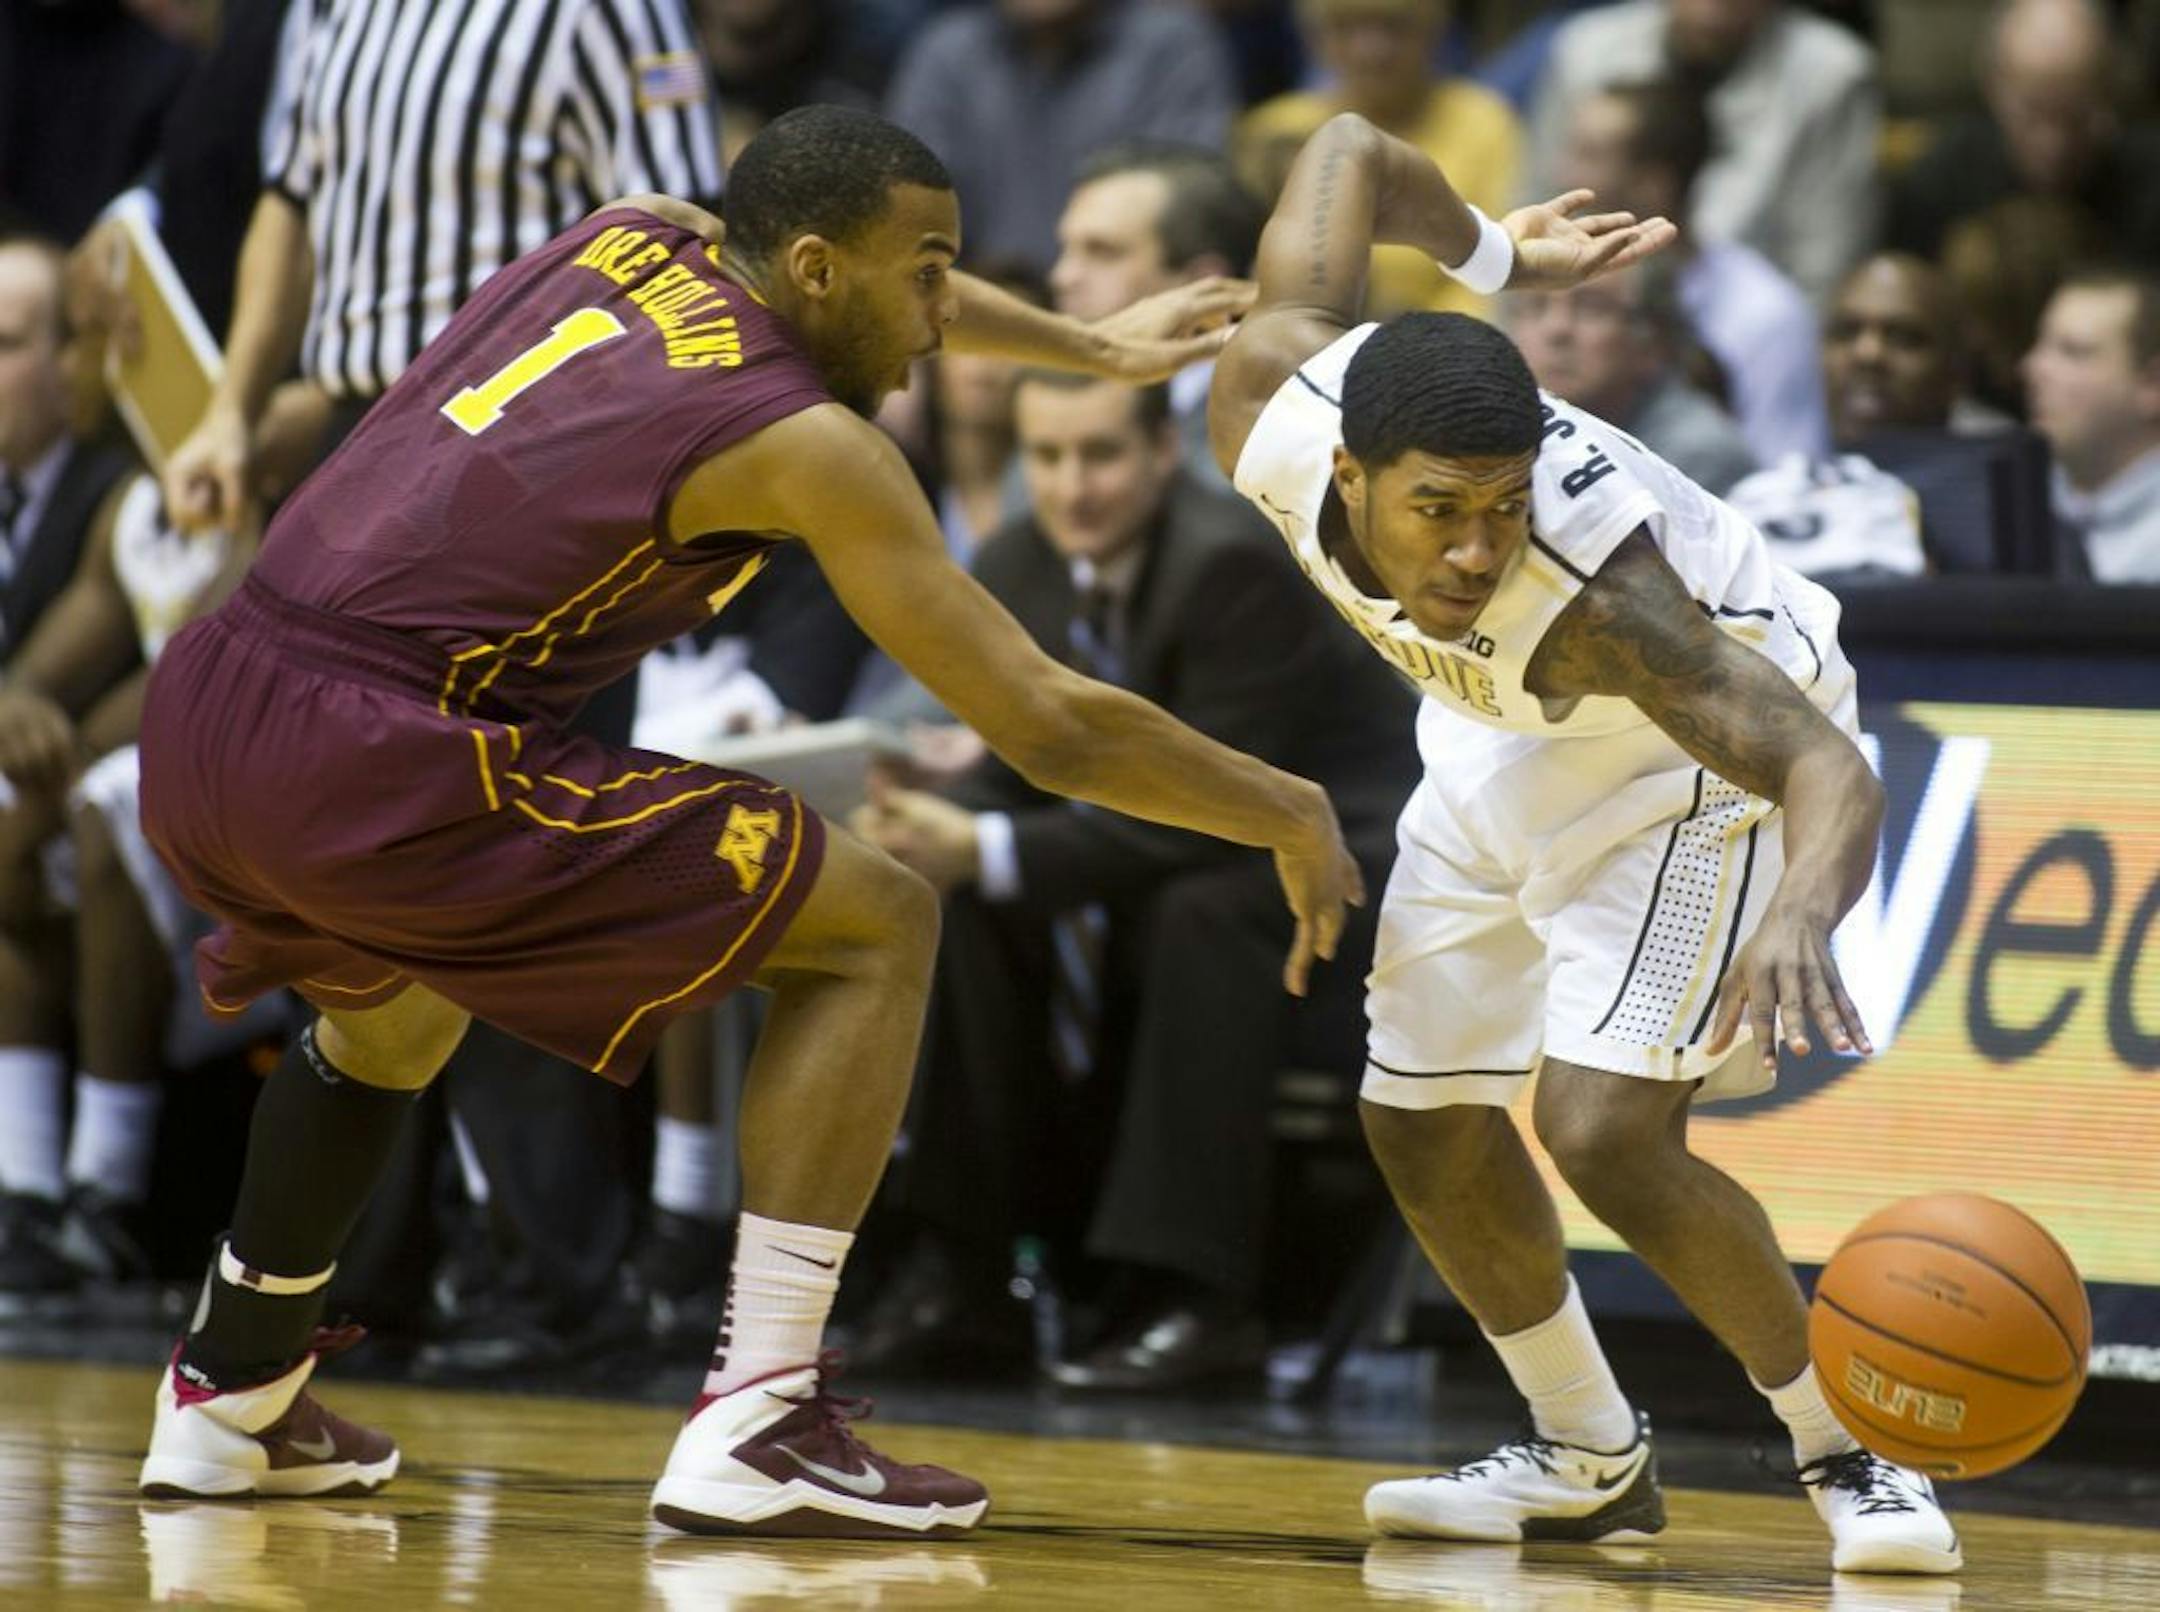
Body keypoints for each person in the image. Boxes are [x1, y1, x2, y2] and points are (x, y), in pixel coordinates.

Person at [133, 107, 1358, 1539]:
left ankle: (232, 1388)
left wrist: (1091, 349)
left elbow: (835, 272)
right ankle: (766, 1411)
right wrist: (1281, 803)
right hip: (384, 746)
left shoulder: (640, 231)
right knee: (879, 920)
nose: (943, 318)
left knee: (397, 1008)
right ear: (824, 271)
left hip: (215, 706)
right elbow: (1047, 722)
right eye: (930, 275)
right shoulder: (806, 443)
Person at [1205, 112, 1960, 1573]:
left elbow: (1825, 764)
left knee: (1602, 1129)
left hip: (1696, 762)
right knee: (1413, 1116)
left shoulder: (1602, 597)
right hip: (1499, 736)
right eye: (1440, 512)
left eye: (1501, 510)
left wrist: (1803, 910)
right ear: (1346, 476)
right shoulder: (1262, 396)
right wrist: (1495, 251)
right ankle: (1587, 1457)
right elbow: (1352, 145)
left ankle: (1847, 1453)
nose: (1477, 551)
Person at [159, 0, 730, 1376]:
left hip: (524, 488)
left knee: (520, 887)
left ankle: (561, 1289)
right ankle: (370, 1276)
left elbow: (702, 245)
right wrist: (234, 403)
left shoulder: (605, 13)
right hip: (353, 459)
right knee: (350, 896)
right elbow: (291, 206)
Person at [848, 371, 1415, 1390]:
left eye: (1101, 454)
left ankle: (1194, 1295)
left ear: (1162, 453)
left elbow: (1220, 803)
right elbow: (1020, 760)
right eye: (1049, 457)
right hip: (1165, 853)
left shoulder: (1231, 564)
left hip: (1335, 861)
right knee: (967, 906)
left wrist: (990, 846)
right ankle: (965, 1279)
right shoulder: (1019, 559)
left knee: (1198, 911)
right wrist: (946, 827)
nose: (1074, 487)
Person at [0, 235, 134, 1300]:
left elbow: (174, 644)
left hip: (137, 781)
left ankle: (92, 1190)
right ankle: (26, 1186)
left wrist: (57, 731)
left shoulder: (127, 483)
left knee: (59, 815)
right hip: (43, 782)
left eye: (6, 345)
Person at [1526, 0, 1878, 308]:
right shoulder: (1585, 51)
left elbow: (1823, 272)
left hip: (1743, 336)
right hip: (1574, 315)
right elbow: (1532, 224)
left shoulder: (1833, 77)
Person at [1558, 78, 1826, 467]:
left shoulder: (1766, 316)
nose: (1563, 175)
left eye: (1589, 156)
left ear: (1652, 186)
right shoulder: (1548, 290)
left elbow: (1785, 482)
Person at [884, 0, 1238, 271]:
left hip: (1128, 324)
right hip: (975, 319)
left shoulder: (1171, 45)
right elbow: (907, 216)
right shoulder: (947, 51)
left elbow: (1185, 216)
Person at [1233, 0, 1521, 321]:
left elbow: (1497, 265)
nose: (1370, 50)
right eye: (1346, 28)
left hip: (1437, 346)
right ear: (1314, 38)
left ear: (1433, 31)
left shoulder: (1483, 123)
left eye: (1393, 27)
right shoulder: (1275, 129)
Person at [1887, 0, 2160, 272]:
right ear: (1994, 87)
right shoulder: (1944, 179)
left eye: (2075, 116)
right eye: (2033, 114)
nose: (2053, 144)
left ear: (2108, 93)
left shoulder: (2151, 183)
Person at [1050, 143, 1263, 483]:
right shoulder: (1043, 399)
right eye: (1066, 249)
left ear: (1202, 285)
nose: (1062, 277)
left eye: (1102, 253)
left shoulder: (1262, 429)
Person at [1507, 261, 1756, 496]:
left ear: (1652, 343)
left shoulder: (1696, 457)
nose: (1556, 329)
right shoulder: (1500, 426)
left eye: (1590, 307)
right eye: (1536, 304)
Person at [2024, 269, 2160, 581]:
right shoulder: (2015, 506)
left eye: (2072, 352)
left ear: (2153, 384)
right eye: (2040, 346)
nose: (2033, 368)